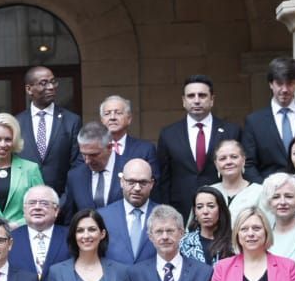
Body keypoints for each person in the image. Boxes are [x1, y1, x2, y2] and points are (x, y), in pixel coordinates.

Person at [157, 75, 243, 216]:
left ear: (212, 100)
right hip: (181, 211)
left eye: (202, 95)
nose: (196, 100)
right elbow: (164, 179)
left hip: (222, 208)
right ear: (184, 101)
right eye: (191, 96)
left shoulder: (231, 131)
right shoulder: (168, 134)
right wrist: (167, 213)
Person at [15, 65, 80, 194]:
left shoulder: (71, 121)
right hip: (24, 201)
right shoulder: (17, 123)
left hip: (61, 200)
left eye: (53, 82)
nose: (51, 87)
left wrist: (64, 201)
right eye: (43, 83)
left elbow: (77, 166)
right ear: (29, 89)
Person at [99, 157, 161, 267]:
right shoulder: (102, 217)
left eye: (143, 182)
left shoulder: (164, 216)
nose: (137, 188)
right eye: (131, 182)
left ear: (151, 184)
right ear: (122, 182)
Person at [64, 122, 123, 215]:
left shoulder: (129, 169)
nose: (87, 161)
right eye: (83, 154)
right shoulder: (75, 176)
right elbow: (70, 217)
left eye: (93, 155)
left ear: (109, 147)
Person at [95, 95, 160, 178]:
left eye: (118, 113)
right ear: (102, 120)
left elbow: (154, 183)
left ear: (129, 119)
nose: (112, 117)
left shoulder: (145, 150)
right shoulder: (93, 151)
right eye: (107, 114)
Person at [210, 138, 265, 221]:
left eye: (234, 157)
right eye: (222, 158)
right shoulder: (208, 192)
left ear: (243, 160)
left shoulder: (260, 192)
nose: (228, 162)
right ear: (216, 164)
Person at [180, 186, 232, 265]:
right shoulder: (184, 242)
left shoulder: (234, 241)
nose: (205, 211)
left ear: (221, 209)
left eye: (211, 206)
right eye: (199, 207)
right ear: (195, 212)